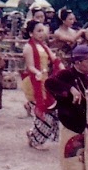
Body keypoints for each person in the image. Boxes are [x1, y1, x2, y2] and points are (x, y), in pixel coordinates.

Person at [21, 19, 62, 150]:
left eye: (42, 30)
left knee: (51, 110)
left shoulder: (44, 46)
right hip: (34, 82)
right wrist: (38, 73)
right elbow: (30, 66)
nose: (41, 33)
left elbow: (55, 60)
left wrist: (63, 69)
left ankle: (34, 134)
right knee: (41, 111)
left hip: (45, 81)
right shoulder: (28, 47)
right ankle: (36, 140)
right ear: (31, 33)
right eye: (38, 31)